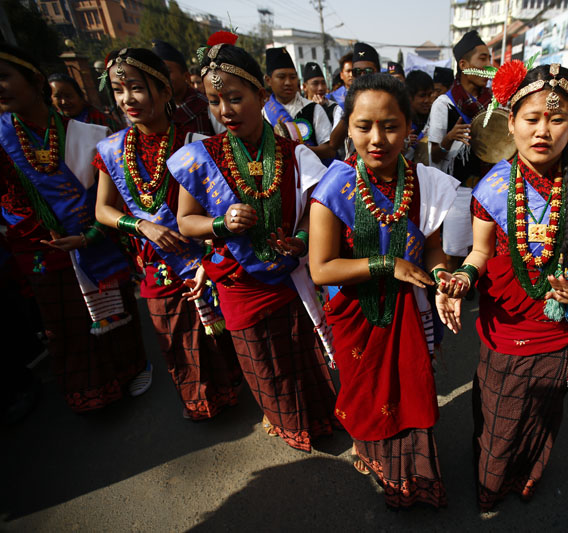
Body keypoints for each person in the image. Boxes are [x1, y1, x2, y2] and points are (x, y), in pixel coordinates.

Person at [438, 62, 568, 511]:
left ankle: (527, 474)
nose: (543, 131)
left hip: (561, 325)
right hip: (506, 324)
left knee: (544, 411)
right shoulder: (492, 186)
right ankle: (492, 480)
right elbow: (478, 252)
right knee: (499, 410)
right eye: (531, 118)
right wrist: (461, 277)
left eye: (557, 119)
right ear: (510, 122)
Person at [170, 32, 338, 451]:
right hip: (239, 282)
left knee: (299, 353)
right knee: (262, 363)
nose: (224, 110)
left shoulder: (295, 153)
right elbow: (186, 222)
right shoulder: (200, 156)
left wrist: (300, 241)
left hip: (286, 277)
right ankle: (285, 422)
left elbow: (318, 218)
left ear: (261, 96)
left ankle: (316, 418)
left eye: (234, 98)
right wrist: (222, 224)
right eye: (213, 101)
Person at [309, 73, 458, 509]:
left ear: (409, 127)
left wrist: (443, 276)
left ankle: (414, 477)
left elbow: (432, 248)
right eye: (363, 126)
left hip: (409, 311)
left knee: (410, 391)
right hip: (356, 313)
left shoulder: (422, 182)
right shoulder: (334, 187)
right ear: (348, 128)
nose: (377, 138)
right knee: (367, 394)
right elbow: (321, 268)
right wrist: (386, 264)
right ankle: (373, 458)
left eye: (391, 126)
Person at [94, 47, 242, 421]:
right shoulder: (112, 150)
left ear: (163, 91)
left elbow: (218, 206)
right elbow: (103, 210)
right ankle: (198, 403)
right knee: (174, 336)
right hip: (156, 262)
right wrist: (142, 224)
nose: (127, 99)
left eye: (137, 88)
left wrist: (209, 255)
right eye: (118, 90)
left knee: (217, 334)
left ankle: (230, 393)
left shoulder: (195, 142)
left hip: (201, 257)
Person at [0, 44, 150, 412]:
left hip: (95, 240)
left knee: (115, 311)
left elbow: (113, 193)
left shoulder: (87, 134)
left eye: (4, 76)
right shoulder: (2, 138)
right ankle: (88, 390)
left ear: (34, 79)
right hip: (42, 247)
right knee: (64, 324)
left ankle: (131, 368)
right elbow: (6, 197)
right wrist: (42, 230)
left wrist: (91, 234)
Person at [428, 30, 492, 271]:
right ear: (464, 65)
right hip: (459, 192)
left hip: (488, 191)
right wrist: (447, 140)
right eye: (483, 59)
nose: (489, 66)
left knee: (487, 250)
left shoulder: (494, 103)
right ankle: (451, 297)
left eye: (490, 59)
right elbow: (434, 155)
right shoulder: (444, 104)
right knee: (453, 253)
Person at [262, 47, 336, 161]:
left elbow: (329, 149)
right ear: (268, 80)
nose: (288, 82)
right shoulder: (263, 113)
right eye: (281, 77)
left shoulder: (313, 109)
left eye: (292, 77)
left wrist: (296, 150)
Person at [152, 40, 216, 136]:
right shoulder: (156, 111)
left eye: (167, 72)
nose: (161, 78)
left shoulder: (208, 107)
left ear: (186, 76)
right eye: (156, 73)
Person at [48, 73, 118, 130]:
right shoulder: (52, 126)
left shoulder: (104, 121)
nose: (64, 102)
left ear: (80, 96)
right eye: (58, 97)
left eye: (68, 96)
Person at [405, 69, 435, 163]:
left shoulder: (434, 119)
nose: (427, 100)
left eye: (430, 95)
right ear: (409, 96)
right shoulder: (401, 122)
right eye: (422, 96)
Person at [302, 61, 341, 127]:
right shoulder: (299, 108)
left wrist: (323, 109)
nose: (321, 88)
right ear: (305, 87)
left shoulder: (335, 108)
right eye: (315, 84)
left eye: (323, 83)